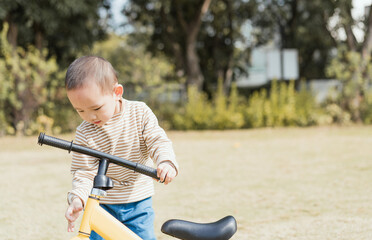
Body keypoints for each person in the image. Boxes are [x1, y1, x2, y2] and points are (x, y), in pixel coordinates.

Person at [64, 56, 179, 240]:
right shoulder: (84, 132)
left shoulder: (139, 113)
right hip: (102, 204)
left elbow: (158, 141)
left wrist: (166, 162)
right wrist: (78, 198)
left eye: (96, 108)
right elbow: (83, 172)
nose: (90, 117)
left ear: (116, 92)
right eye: (80, 111)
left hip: (138, 202)